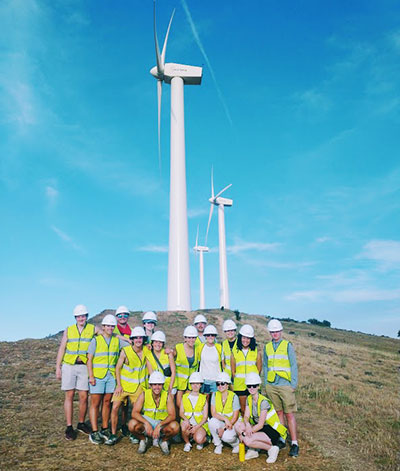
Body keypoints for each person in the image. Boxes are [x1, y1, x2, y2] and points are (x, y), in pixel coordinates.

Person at [55, 304, 95, 440]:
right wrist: (58, 367)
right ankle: (69, 427)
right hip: (69, 365)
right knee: (70, 395)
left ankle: (81, 423)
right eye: (79, 316)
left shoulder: (92, 328)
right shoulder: (69, 330)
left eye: (83, 316)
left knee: (84, 396)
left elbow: (109, 334)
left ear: (87, 317)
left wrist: (127, 339)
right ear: (75, 317)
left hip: (83, 366)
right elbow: (62, 348)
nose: (81, 318)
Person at [105, 326, 147, 446]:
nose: (138, 340)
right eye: (136, 338)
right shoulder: (125, 350)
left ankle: (134, 433)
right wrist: (118, 385)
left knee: (136, 410)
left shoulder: (146, 350)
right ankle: (113, 434)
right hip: (123, 386)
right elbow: (118, 367)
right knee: (115, 407)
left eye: (141, 337)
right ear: (132, 339)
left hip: (137, 386)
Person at [264, 319, 299, 457]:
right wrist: (266, 382)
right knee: (278, 413)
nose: (275, 334)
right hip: (272, 385)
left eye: (277, 331)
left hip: (285, 385)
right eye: (272, 332)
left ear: (281, 331)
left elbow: (293, 365)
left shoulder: (287, 346)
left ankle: (295, 443)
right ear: (270, 333)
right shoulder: (267, 347)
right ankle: (282, 438)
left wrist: (293, 384)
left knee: (289, 414)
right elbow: (266, 366)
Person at [235, 373, 287, 463]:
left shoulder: (263, 402)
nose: (251, 388)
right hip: (259, 428)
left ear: (258, 386)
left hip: (270, 430)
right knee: (238, 425)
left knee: (247, 440)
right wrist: (247, 425)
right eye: (249, 386)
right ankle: (253, 450)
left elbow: (260, 424)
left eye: (254, 386)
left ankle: (272, 449)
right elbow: (246, 416)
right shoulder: (249, 398)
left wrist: (246, 433)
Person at [87, 314, 120, 445]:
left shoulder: (116, 341)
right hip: (98, 376)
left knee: (107, 402)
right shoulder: (96, 340)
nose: (110, 328)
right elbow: (89, 359)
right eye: (108, 326)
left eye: (112, 326)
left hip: (111, 376)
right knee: (95, 403)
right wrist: (91, 376)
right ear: (103, 327)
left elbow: (130, 344)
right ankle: (94, 431)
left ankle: (105, 428)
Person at [129, 371, 179, 455]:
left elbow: (172, 415)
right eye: (154, 384)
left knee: (175, 426)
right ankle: (143, 440)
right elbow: (134, 413)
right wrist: (146, 423)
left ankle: (163, 441)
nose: (157, 387)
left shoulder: (167, 395)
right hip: (147, 422)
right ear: (150, 385)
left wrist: (159, 425)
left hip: (161, 423)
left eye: (159, 384)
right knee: (132, 424)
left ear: (163, 385)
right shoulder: (144, 394)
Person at [231, 324, 262, 415]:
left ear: (251, 339)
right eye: (244, 338)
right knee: (243, 410)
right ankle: (245, 428)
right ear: (240, 338)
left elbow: (259, 369)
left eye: (248, 338)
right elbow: (233, 371)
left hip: (252, 385)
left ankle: (254, 428)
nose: (245, 340)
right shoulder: (234, 352)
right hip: (240, 386)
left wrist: (254, 381)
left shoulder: (256, 351)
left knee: (254, 410)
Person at [208, 372, 240, 454]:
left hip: (232, 423)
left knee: (227, 437)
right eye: (218, 384)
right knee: (211, 422)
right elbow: (213, 413)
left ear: (227, 385)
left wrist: (224, 428)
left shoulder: (234, 396)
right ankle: (218, 444)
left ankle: (236, 444)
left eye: (222, 383)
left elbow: (235, 417)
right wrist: (225, 419)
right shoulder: (215, 395)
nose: (220, 386)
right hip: (223, 421)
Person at [113, 305, 132, 437]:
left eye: (125, 315)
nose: (123, 317)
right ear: (116, 317)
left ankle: (124, 424)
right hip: (114, 367)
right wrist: (125, 338)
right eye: (120, 315)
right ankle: (110, 426)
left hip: (127, 371)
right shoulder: (112, 328)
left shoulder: (131, 329)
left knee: (126, 403)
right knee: (114, 401)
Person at [180, 372, 209, 452]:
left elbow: (205, 416)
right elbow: (181, 412)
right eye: (193, 383)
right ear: (190, 385)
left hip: (199, 423)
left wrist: (197, 427)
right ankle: (187, 443)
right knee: (184, 425)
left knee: (199, 439)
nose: (195, 386)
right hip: (188, 422)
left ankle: (203, 439)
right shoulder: (185, 397)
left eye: (197, 383)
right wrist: (186, 420)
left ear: (200, 385)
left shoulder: (203, 398)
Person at [174, 326, 199, 410]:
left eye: (193, 338)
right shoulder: (178, 347)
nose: (191, 340)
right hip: (179, 383)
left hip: (190, 383)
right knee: (178, 404)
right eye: (189, 337)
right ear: (185, 338)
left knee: (188, 404)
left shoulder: (197, 349)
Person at [146, 331, 176, 396]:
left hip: (169, 384)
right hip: (157, 385)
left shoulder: (168, 354)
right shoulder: (148, 356)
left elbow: (173, 371)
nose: (158, 344)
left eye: (160, 342)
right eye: (156, 342)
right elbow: (151, 373)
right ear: (152, 343)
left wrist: (170, 386)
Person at [197, 325, 223, 397]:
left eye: (213, 335)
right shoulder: (200, 347)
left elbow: (222, 364)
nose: (210, 337)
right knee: (205, 402)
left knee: (215, 402)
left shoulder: (219, 347)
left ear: (215, 336)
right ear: (205, 336)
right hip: (204, 380)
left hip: (216, 380)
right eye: (208, 335)